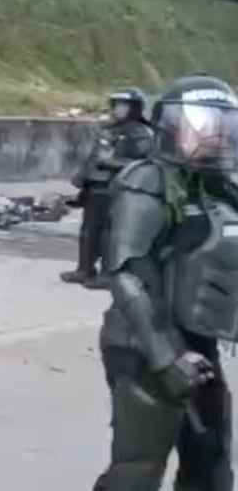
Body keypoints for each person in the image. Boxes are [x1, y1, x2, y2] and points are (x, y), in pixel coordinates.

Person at [92, 74, 238, 491]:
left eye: (223, 125)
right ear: (173, 126)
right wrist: (165, 357)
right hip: (142, 343)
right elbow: (126, 273)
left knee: (210, 462)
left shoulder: (215, 187)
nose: (215, 135)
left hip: (197, 341)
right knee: (138, 469)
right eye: (203, 124)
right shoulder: (146, 182)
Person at [61, 88, 154, 289]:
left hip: (119, 188)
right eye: (116, 105)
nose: (118, 109)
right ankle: (84, 269)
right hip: (96, 186)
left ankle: (107, 274)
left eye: (124, 105)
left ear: (135, 108)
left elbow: (144, 164)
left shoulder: (140, 133)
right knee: (89, 230)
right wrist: (82, 179)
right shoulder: (109, 129)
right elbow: (94, 157)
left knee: (109, 233)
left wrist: (112, 163)